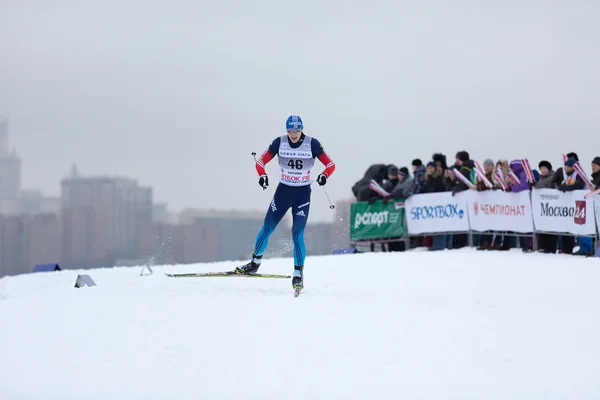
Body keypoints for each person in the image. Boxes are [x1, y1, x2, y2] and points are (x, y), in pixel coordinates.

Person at [234, 115, 336, 291]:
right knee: (267, 228)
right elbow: (260, 162)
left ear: (301, 129)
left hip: (302, 195)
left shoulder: (312, 144)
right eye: (290, 131)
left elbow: (330, 164)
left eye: (296, 131)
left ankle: (298, 274)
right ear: (286, 130)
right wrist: (263, 176)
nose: (293, 134)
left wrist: (324, 175)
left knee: (297, 235)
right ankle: (254, 263)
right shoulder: (279, 142)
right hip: (283, 193)